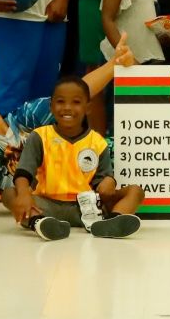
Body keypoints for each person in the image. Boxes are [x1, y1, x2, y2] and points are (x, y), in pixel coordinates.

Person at [0, 33, 134, 221]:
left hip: (84, 178)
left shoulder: (26, 116)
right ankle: (38, 222)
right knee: (11, 195)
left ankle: (116, 216)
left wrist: (113, 64)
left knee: (122, 152)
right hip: (42, 201)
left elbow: (78, 92)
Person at [11, 76, 145, 240]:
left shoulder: (97, 142)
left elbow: (102, 180)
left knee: (135, 191)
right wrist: (23, 194)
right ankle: (39, 222)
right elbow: (23, 172)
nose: (67, 108)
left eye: (76, 102)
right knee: (10, 194)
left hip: (88, 208)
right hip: (46, 205)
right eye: (60, 102)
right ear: (51, 106)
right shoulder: (39, 136)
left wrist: (109, 182)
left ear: (87, 108)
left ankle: (111, 222)